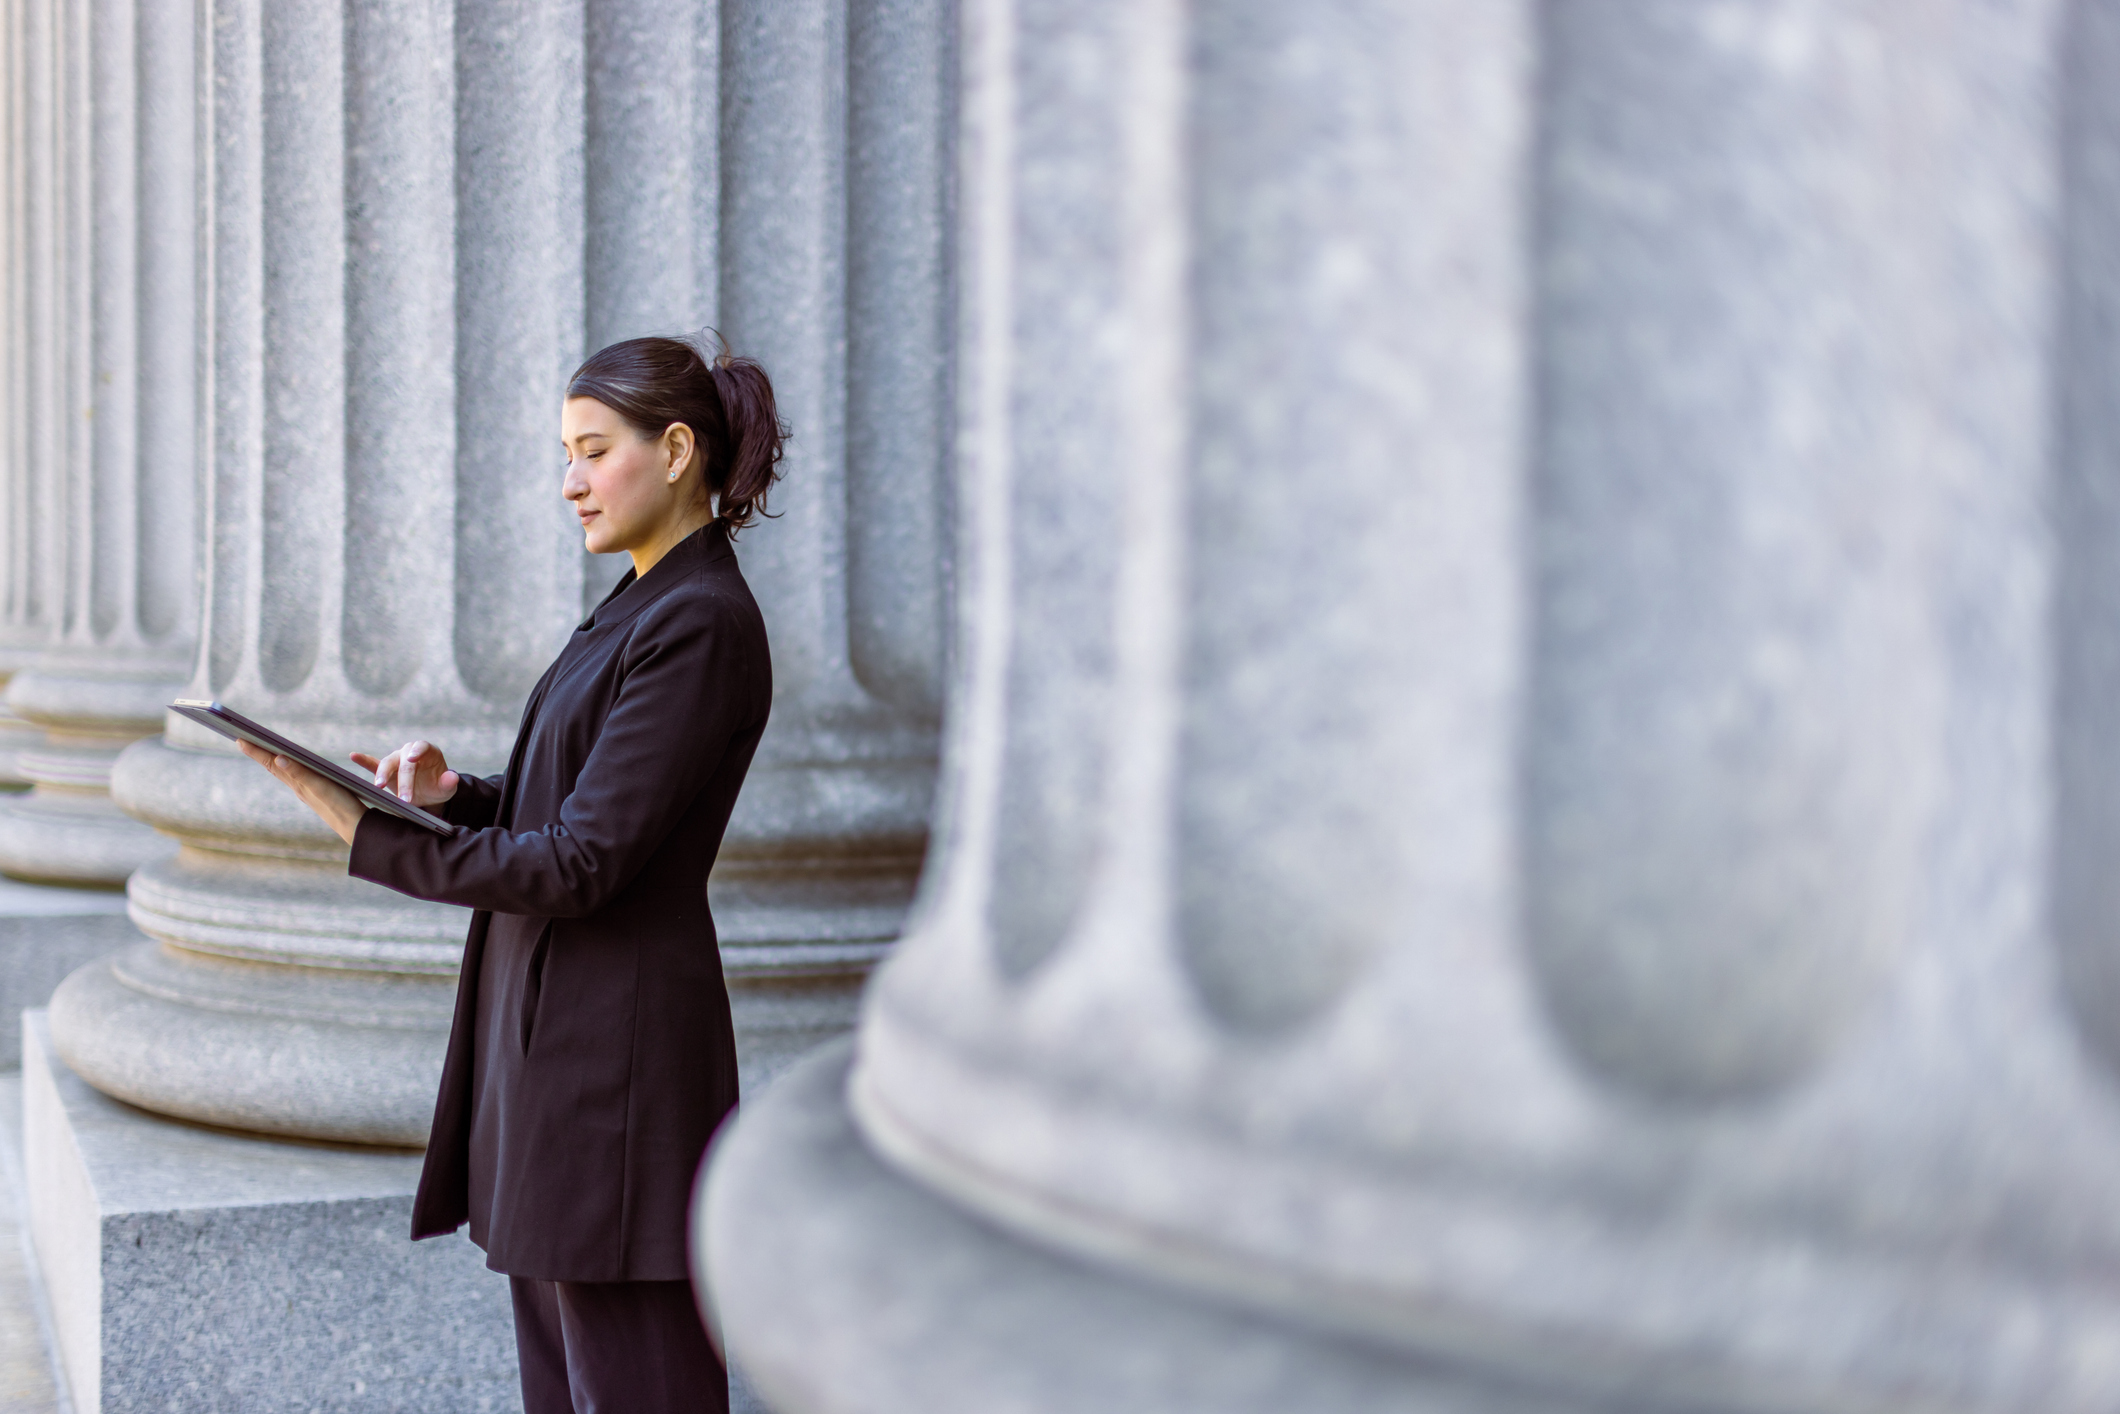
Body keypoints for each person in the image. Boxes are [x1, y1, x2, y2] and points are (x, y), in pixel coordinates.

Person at [237, 334, 785, 1414]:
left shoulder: (699, 622)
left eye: (592, 450)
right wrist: (456, 797)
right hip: (559, 1057)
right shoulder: (642, 603)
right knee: (564, 1380)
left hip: (614, 1072)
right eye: (563, 454)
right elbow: (588, 806)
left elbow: (586, 863)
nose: (569, 481)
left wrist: (374, 835)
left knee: (637, 1384)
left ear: (676, 449)